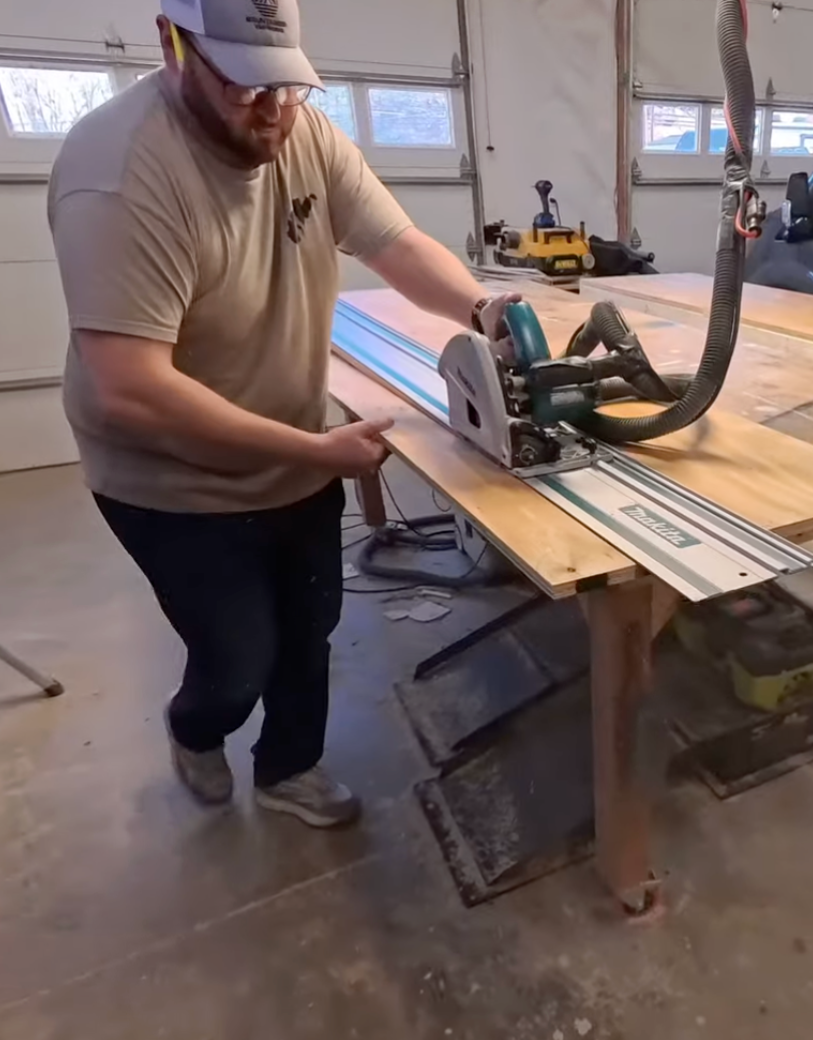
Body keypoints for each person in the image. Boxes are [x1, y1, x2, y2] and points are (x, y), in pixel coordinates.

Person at [48, 0, 518, 826]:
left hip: (298, 448)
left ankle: (288, 770)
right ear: (174, 45)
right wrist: (319, 452)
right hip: (170, 479)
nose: (271, 112)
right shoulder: (119, 172)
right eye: (242, 86)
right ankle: (195, 727)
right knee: (236, 659)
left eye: (286, 87)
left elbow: (393, 242)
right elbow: (130, 385)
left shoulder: (302, 132)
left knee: (310, 632)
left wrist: (482, 311)